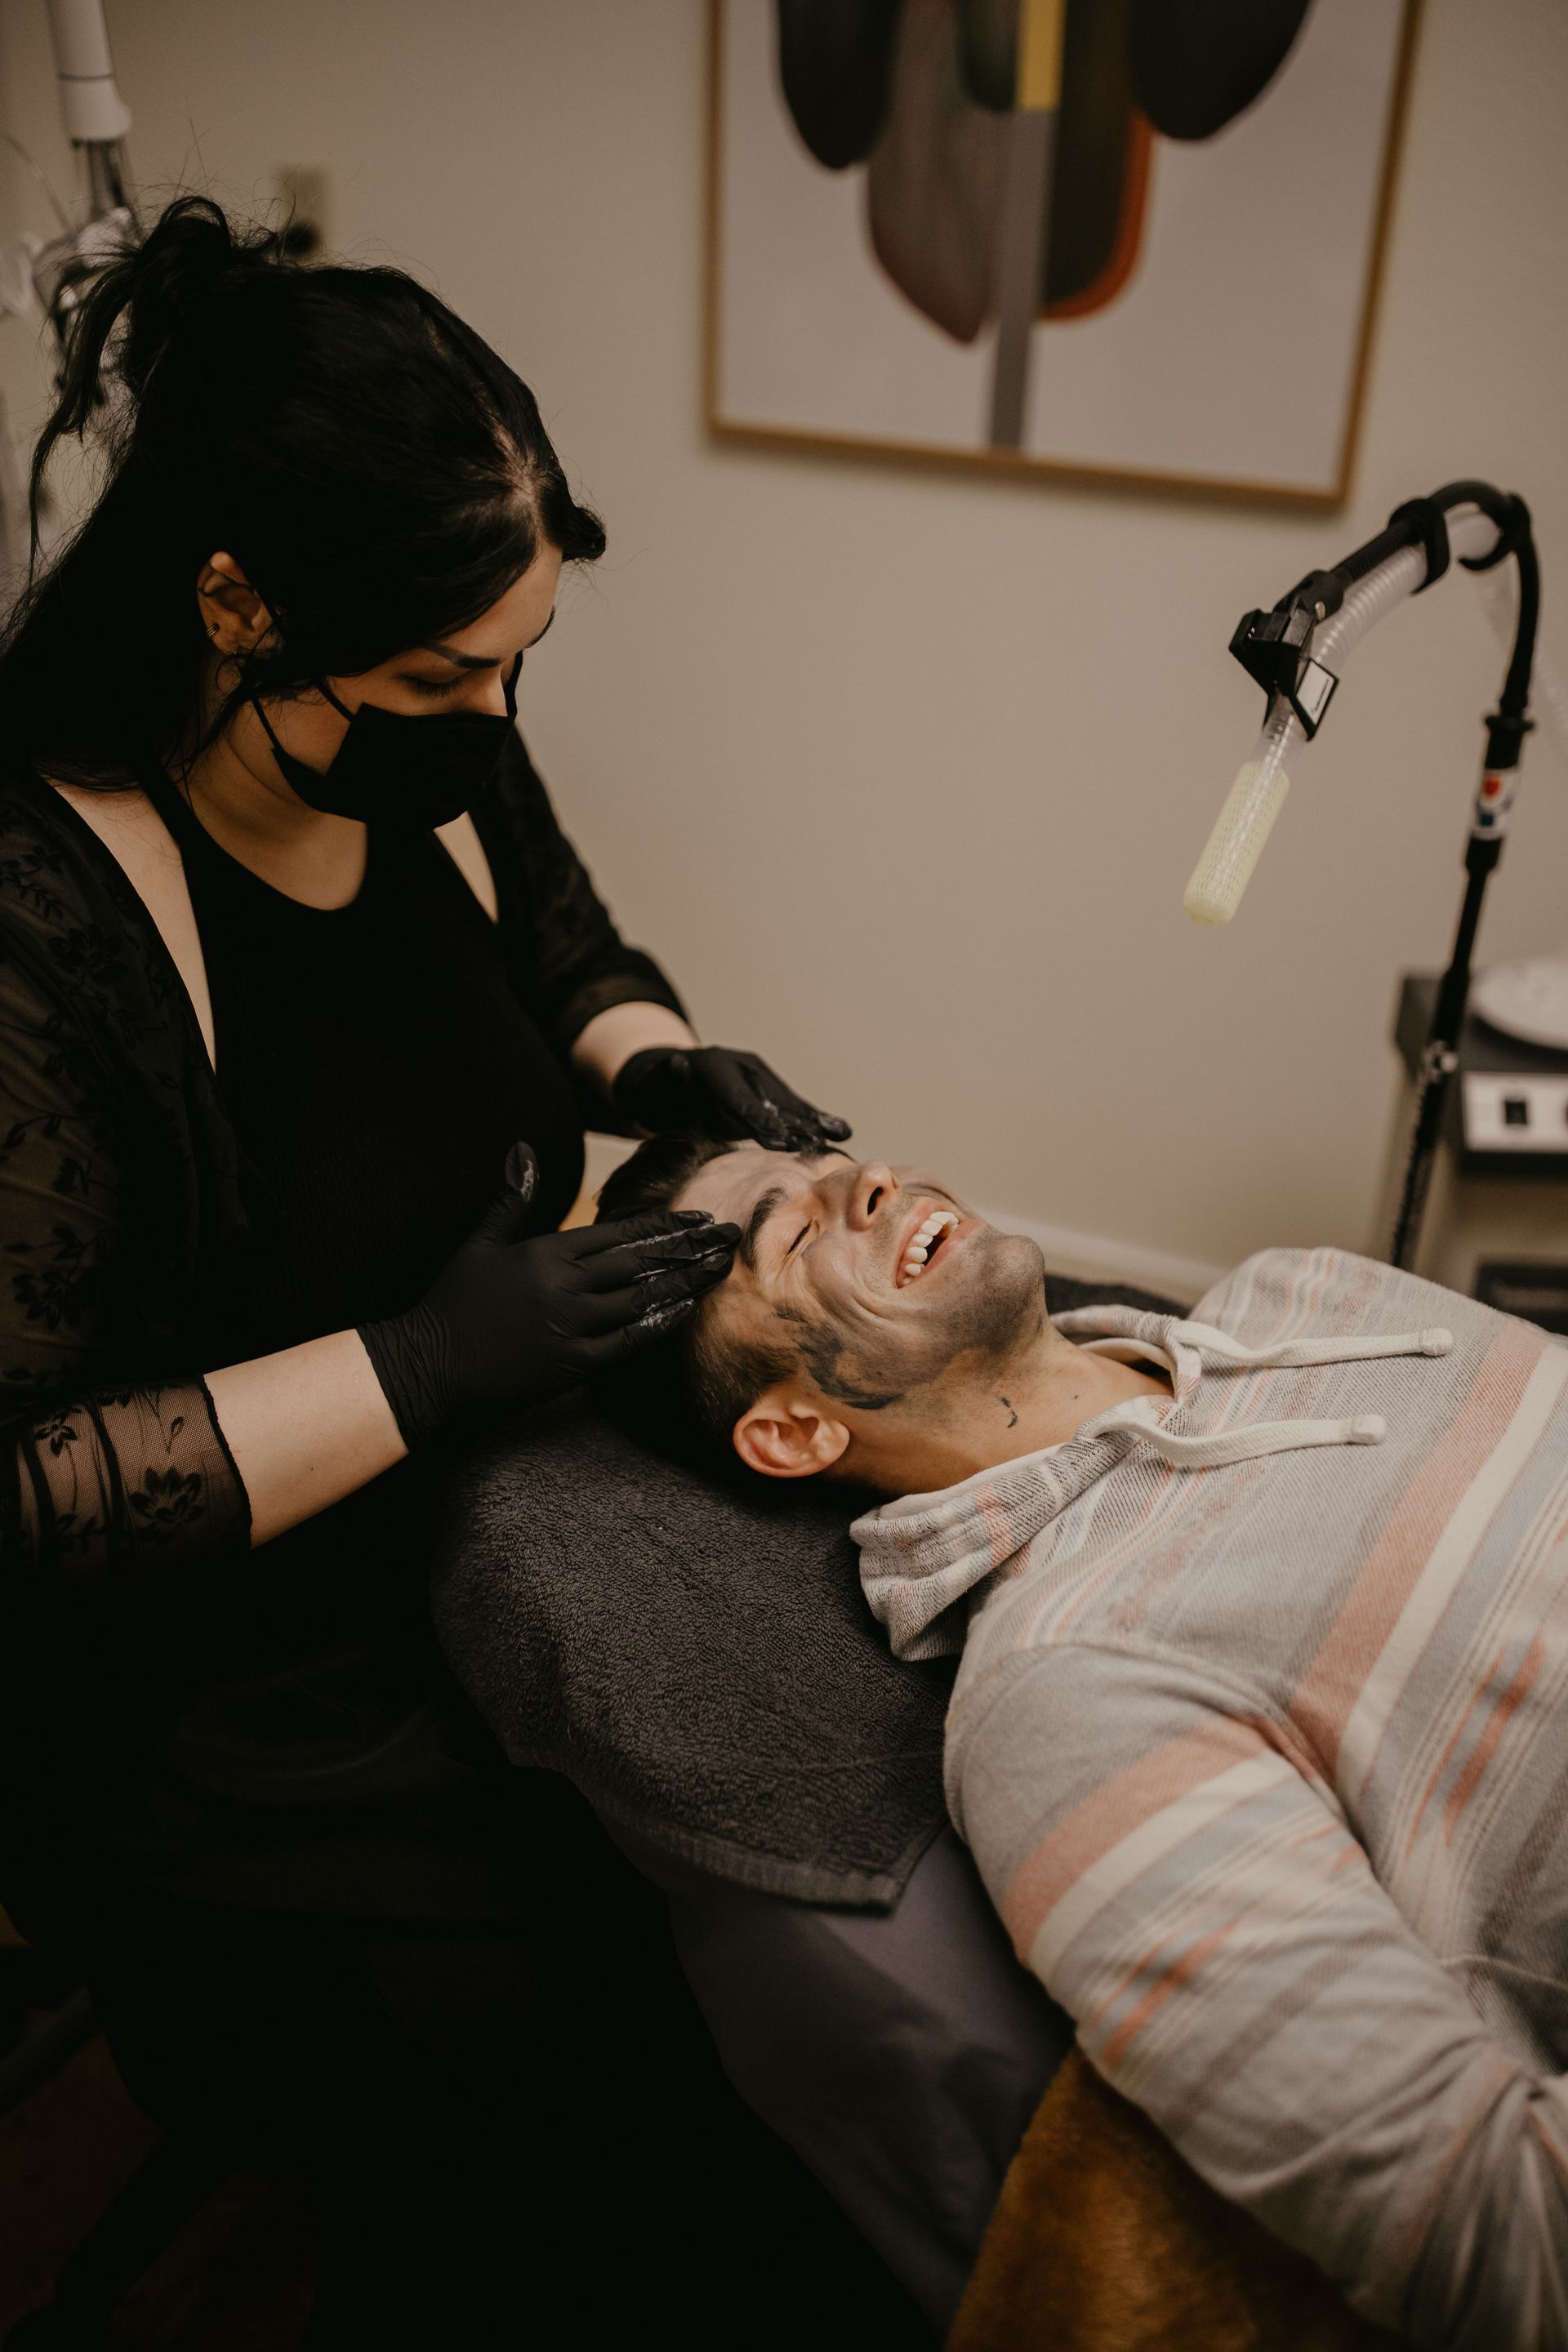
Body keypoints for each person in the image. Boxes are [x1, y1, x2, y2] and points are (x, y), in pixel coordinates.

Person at [0, 196, 853, 2338]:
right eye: (444, 679)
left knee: (742, 1915)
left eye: (515, 670)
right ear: (232, 598)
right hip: (208, 1693)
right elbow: (35, 1488)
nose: (488, 714)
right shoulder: (45, 919)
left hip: (477, 1522)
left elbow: (559, 937)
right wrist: (411, 1365)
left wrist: (661, 1055)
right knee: (570, 2022)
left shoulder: (419, 719)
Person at [599, 1129, 1568, 2352]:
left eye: (830, 1159)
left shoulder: (1312, 1288)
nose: (865, 1180)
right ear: (793, 1435)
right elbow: (1498, 2229)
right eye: (791, 1232)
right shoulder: (1068, 1687)